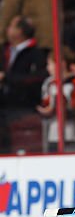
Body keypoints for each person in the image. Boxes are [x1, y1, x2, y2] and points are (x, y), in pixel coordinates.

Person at [0, 15, 47, 153]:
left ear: (20, 31)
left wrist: (6, 78)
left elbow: (37, 78)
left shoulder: (36, 53)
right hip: (3, 106)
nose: (7, 29)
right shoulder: (4, 51)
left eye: (11, 26)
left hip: (24, 106)